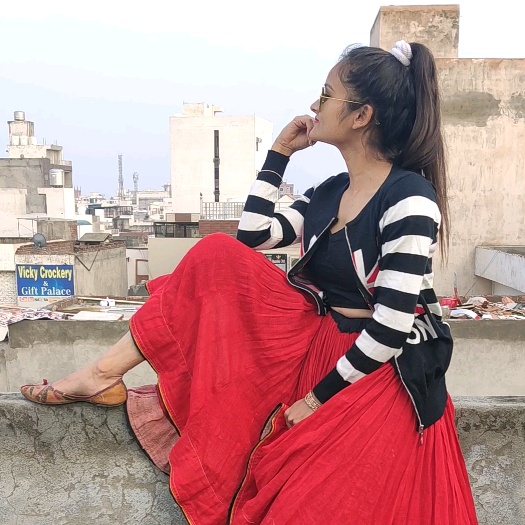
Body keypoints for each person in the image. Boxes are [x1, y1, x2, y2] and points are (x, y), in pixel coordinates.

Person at [20, 40, 478, 524]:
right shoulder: (331, 193)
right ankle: (102, 374)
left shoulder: (409, 199)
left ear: (361, 116)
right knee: (216, 255)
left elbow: (391, 327)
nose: (314, 104)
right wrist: (279, 153)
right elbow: (252, 236)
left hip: (378, 374)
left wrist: (315, 399)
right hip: (320, 348)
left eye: (326, 94)